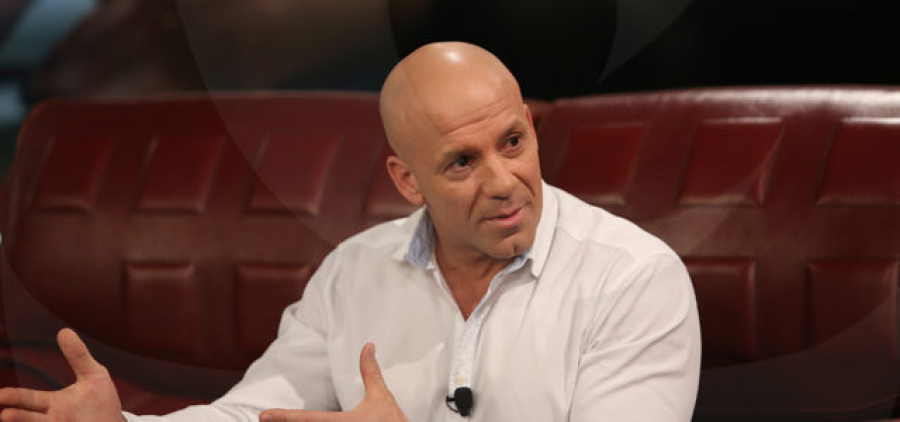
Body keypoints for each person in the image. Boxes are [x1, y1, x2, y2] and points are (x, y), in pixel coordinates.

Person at [0, 41, 701, 422]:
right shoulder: (354, 271)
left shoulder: (633, 279)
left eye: (512, 142)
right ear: (407, 181)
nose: (502, 180)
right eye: (461, 162)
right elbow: (255, 413)